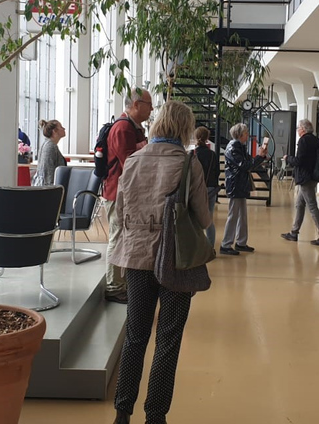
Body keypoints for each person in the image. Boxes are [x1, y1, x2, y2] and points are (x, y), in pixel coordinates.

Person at [110, 100, 211, 424]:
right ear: (184, 127)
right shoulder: (187, 164)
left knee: (135, 336)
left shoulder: (135, 160)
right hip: (175, 261)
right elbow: (204, 219)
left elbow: (121, 211)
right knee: (168, 339)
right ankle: (155, 415)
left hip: (137, 256)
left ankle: (122, 412)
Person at [102, 88, 152, 304]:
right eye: (148, 104)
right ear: (136, 104)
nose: (151, 109)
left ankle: (121, 282)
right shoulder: (123, 128)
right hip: (117, 193)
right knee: (117, 236)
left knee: (123, 236)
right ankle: (113, 286)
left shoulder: (134, 128)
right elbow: (130, 164)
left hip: (126, 194)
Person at [280, 119, 319, 246]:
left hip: (305, 178)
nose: (297, 130)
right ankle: (294, 232)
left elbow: (299, 161)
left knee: (312, 207)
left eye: (298, 128)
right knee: (299, 204)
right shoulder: (316, 140)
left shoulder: (303, 141)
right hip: (313, 176)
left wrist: (288, 158)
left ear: (303, 129)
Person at [220, 123, 267, 254]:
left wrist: (260, 156)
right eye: (246, 133)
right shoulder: (234, 147)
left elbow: (248, 162)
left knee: (241, 215)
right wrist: (259, 157)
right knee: (233, 215)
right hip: (236, 184)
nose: (247, 135)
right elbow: (245, 165)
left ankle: (241, 242)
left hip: (239, 184)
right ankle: (226, 244)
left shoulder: (238, 146)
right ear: (240, 135)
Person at [193, 126, 221, 247]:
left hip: (197, 189)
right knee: (208, 219)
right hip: (211, 189)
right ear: (207, 138)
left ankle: (198, 247)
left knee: (195, 218)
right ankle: (210, 247)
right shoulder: (213, 155)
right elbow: (218, 171)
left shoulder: (193, 154)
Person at [32, 119, 67, 186]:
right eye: (61, 127)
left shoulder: (48, 144)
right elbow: (47, 171)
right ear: (54, 131)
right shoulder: (50, 146)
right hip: (47, 189)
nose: (64, 128)